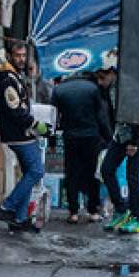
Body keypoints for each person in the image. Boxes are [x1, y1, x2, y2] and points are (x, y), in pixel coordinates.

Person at [0, 42, 50, 233]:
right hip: (19, 135)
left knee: (29, 172)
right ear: (10, 55)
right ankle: (6, 207)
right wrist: (35, 125)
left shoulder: (15, 76)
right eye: (18, 55)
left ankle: (19, 218)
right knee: (36, 171)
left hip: (22, 133)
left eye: (24, 55)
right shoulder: (7, 79)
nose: (21, 59)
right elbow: (15, 110)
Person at [50, 71, 112, 223]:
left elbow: (52, 117)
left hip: (70, 137)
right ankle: (93, 210)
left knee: (71, 173)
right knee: (92, 173)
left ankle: (73, 212)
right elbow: (101, 116)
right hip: (91, 137)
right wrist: (109, 139)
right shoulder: (92, 89)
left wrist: (51, 141)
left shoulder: (59, 90)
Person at [99, 119, 139, 234]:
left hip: (137, 134)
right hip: (121, 133)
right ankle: (121, 210)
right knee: (106, 169)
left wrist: (135, 142)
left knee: (132, 176)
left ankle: (135, 217)